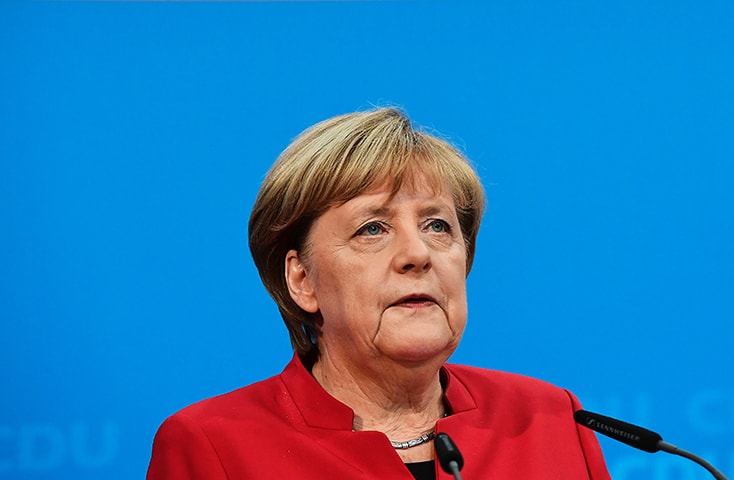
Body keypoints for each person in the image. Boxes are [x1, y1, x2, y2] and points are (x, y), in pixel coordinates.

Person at [146, 107, 611, 479]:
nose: (417, 254)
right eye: (373, 228)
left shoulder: (551, 419)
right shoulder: (213, 447)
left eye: (437, 225)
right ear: (302, 280)